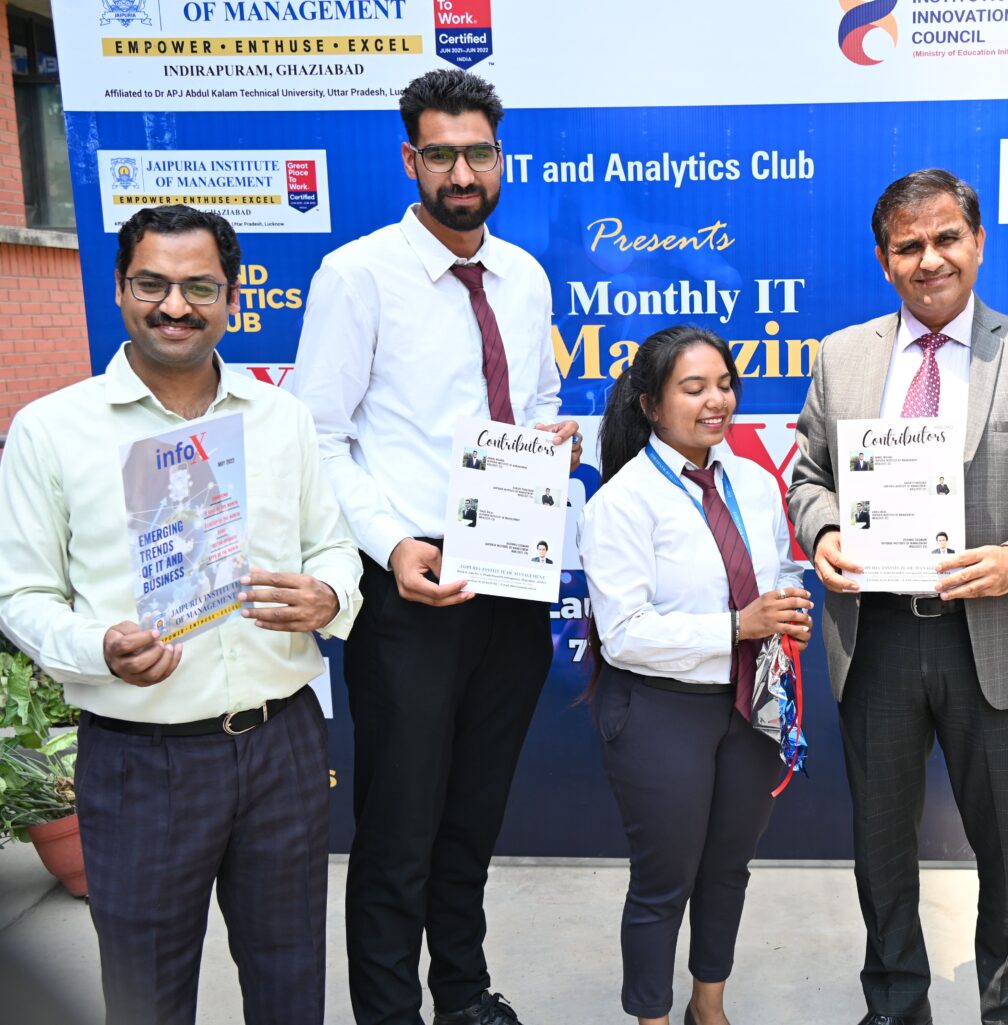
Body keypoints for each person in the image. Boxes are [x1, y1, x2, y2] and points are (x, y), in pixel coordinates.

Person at [0, 204, 363, 1025]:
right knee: (147, 998)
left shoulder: (281, 416)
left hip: (282, 744)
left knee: (291, 983)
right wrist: (98, 645)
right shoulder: (52, 429)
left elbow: (333, 547)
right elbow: (19, 594)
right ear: (119, 288)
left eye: (199, 286)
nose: (174, 305)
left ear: (232, 296)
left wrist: (330, 593)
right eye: (152, 284)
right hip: (142, 760)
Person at [788, 168, 1008, 1025]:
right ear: (883, 259)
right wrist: (824, 532)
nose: (929, 259)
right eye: (909, 246)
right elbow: (808, 476)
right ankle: (896, 1006)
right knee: (881, 851)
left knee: (1006, 854)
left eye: (946, 239)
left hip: (993, 638)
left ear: (978, 243)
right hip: (878, 639)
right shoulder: (841, 356)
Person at [291, 68, 581, 1025]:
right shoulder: (357, 275)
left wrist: (548, 443)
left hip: (513, 584)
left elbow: (536, 399)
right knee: (399, 828)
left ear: (501, 159)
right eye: (442, 155)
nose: (463, 173)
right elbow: (317, 435)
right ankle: (389, 1013)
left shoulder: (525, 276)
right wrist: (390, 547)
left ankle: (461, 993)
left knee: (472, 818)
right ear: (411, 160)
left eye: (479, 153)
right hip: (410, 592)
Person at [579, 326, 814, 1025]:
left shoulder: (754, 481)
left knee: (728, 867)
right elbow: (624, 635)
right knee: (664, 880)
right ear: (651, 405)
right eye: (693, 388)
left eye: (724, 384)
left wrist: (786, 609)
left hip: (751, 705)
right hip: (660, 710)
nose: (717, 401)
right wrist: (737, 625)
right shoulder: (621, 502)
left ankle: (708, 1007)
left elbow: (778, 568)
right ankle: (651, 1016)